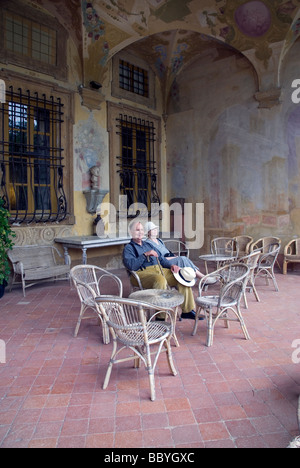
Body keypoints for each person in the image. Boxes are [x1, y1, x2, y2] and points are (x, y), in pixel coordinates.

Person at [123, 220, 197, 319]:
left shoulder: (147, 245)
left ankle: (187, 310)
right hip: (141, 274)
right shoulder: (128, 248)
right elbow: (131, 266)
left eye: (141, 229)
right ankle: (161, 316)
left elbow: (161, 259)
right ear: (131, 232)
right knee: (160, 279)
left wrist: (171, 266)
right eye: (137, 230)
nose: (140, 232)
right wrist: (145, 255)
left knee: (181, 276)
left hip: (159, 269)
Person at [144, 221, 215, 283]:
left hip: (169, 257)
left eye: (155, 229)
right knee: (183, 259)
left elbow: (166, 251)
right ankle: (203, 278)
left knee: (184, 259)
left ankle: (202, 277)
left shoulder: (159, 240)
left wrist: (173, 256)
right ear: (148, 232)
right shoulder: (148, 243)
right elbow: (159, 258)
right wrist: (173, 257)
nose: (155, 230)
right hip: (163, 262)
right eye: (152, 229)